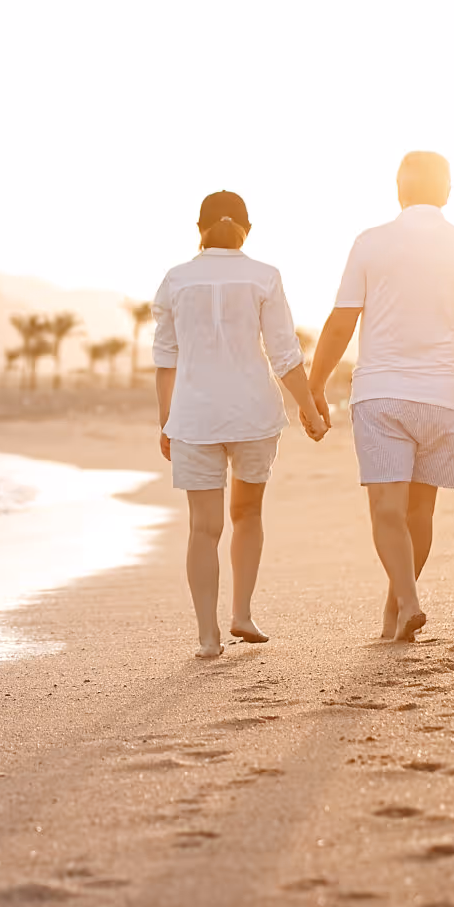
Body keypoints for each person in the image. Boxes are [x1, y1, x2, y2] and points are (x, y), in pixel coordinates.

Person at [307, 152, 454, 642]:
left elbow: (342, 321)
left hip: (381, 395)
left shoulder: (370, 242)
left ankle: (409, 603)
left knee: (386, 511)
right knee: (419, 514)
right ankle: (396, 614)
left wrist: (315, 386)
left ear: (398, 191)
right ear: (447, 192)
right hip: (445, 398)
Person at [154, 190, 328, 659]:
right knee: (247, 515)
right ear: (246, 229)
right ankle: (243, 615)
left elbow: (166, 359)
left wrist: (165, 420)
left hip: (193, 418)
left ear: (199, 229)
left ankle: (208, 637)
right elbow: (285, 353)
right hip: (253, 414)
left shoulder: (176, 280)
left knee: (202, 528)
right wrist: (309, 410)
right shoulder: (264, 277)